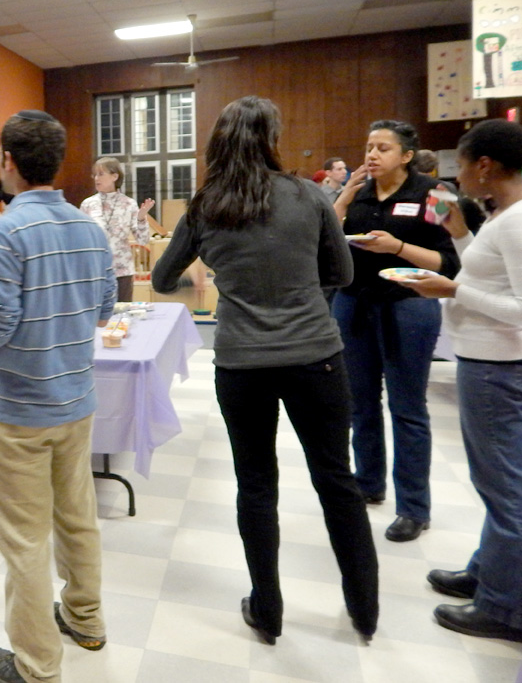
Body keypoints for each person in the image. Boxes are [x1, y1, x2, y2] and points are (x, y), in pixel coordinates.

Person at [153, 96, 378, 645]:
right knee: (337, 480)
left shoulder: (207, 204)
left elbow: (162, 279)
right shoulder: (308, 194)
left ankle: (268, 611)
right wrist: (301, 291)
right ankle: (364, 609)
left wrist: (208, 285)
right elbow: (343, 273)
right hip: (316, 357)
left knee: (256, 486)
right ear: (272, 137)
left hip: (241, 363)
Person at [0, 110, 115, 683]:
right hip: (74, 404)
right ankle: (86, 619)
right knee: (78, 519)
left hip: (15, 415)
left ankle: (36, 668)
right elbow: (103, 310)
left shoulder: (5, 232)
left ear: (8, 161)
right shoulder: (88, 228)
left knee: (26, 544)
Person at [403, 119, 522, 643]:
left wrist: (452, 290)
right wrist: (461, 235)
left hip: (498, 368)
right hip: (486, 362)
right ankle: (488, 572)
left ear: (485, 166)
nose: (458, 175)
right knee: (496, 480)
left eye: (464, 164)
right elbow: (491, 272)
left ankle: (505, 606)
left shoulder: (517, 220)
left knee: (505, 486)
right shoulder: (501, 220)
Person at [332, 120, 460, 542]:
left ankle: (414, 508)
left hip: (409, 307)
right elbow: (326, 242)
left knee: (407, 408)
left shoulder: (437, 194)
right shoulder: (359, 192)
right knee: (361, 403)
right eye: (368, 147)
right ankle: (368, 483)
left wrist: (399, 248)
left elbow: (450, 261)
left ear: (406, 155)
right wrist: (345, 196)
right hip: (355, 305)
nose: (371, 155)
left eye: (383, 148)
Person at [79, 157, 153, 303]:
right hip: (95, 271)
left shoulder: (129, 204)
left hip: (122, 271)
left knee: (122, 317)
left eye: (101, 174)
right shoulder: (88, 204)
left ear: (115, 176)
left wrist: (141, 219)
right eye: (94, 175)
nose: (96, 178)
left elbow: (143, 240)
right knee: (97, 317)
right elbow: (79, 238)